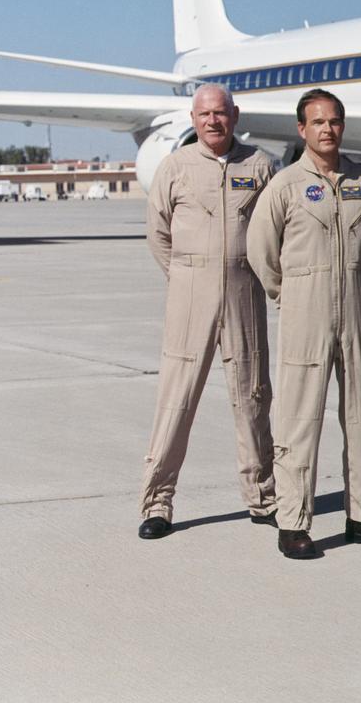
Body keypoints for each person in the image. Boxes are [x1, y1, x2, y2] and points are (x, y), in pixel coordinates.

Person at [248, 88, 361, 559]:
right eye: (317, 122)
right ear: (302, 130)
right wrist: (290, 292)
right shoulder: (286, 184)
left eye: (334, 121)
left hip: (357, 309)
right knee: (297, 419)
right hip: (305, 311)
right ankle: (293, 521)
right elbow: (261, 251)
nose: (327, 130)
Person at [138, 83, 276, 539]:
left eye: (220, 113)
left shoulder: (258, 165)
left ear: (234, 116)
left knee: (252, 396)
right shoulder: (175, 167)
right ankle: (157, 502)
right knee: (176, 399)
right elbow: (158, 233)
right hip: (190, 291)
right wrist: (184, 278)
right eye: (204, 115)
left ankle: (262, 496)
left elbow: (273, 228)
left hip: (243, 289)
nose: (213, 121)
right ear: (193, 119)